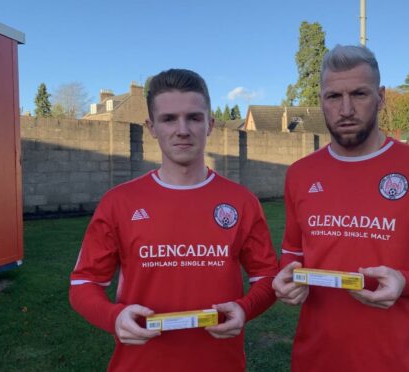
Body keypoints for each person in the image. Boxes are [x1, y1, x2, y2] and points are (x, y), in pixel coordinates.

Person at [272, 45, 409, 372]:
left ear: (381, 97)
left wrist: (405, 282)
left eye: (359, 94)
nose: (346, 109)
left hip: (392, 361)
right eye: (334, 96)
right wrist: (288, 278)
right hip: (312, 360)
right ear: (321, 100)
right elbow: (292, 254)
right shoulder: (300, 174)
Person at [69, 69, 278, 371]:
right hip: (139, 363)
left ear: (210, 125)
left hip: (221, 363)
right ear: (151, 127)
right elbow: (83, 283)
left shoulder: (241, 202)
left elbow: (267, 276)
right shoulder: (118, 202)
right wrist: (113, 317)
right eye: (169, 119)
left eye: (194, 117)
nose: (182, 129)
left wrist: (245, 309)